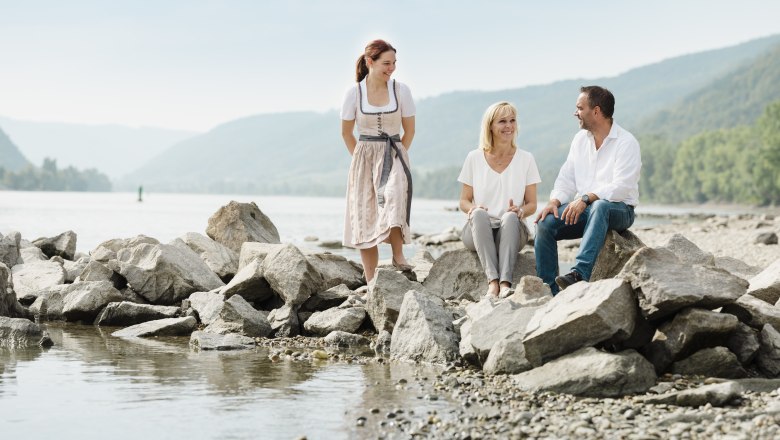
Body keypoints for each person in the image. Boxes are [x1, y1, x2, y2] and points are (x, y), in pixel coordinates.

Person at [534, 85, 641, 294]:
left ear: (596, 111)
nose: (575, 113)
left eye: (579, 108)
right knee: (545, 223)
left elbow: (621, 187)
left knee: (600, 205)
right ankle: (549, 290)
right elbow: (567, 179)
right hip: (585, 210)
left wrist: (586, 198)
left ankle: (578, 274)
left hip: (619, 211)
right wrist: (554, 202)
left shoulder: (627, 143)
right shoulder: (579, 140)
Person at [340, 39, 416, 282]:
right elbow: (346, 133)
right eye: (386, 63)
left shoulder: (401, 90)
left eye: (394, 63)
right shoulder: (354, 93)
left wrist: (398, 155)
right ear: (369, 62)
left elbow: (410, 130)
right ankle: (370, 277)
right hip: (363, 156)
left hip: (394, 150)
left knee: (394, 195)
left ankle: (398, 255)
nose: (391, 68)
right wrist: (360, 160)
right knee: (364, 213)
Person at [458, 102, 540, 298]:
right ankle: (492, 282)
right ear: (490, 127)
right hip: (479, 230)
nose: (509, 126)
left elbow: (532, 204)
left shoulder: (526, 159)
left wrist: (520, 211)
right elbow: (463, 201)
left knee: (510, 218)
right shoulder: (474, 158)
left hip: (511, 232)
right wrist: (474, 208)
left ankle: (505, 283)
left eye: (512, 121)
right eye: (502, 121)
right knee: (478, 213)